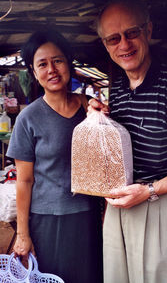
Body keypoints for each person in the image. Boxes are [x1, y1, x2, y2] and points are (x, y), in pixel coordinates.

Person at [88, 0, 167, 283]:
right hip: (121, 205)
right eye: (114, 38)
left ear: (148, 31)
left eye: (132, 33)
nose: (124, 45)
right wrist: (102, 117)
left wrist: (150, 190)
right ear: (106, 44)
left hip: (161, 204)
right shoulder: (117, 87)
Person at [6, 30, 103, 283]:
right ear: (34, 71)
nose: (52, 69)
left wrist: (96, 107)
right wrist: (23, 234)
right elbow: (24, 181)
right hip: (48, 221)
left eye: (58, 61)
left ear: (68, 63)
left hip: (88, 214)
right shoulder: (28, 118)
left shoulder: (88, 108)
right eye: (42, 64)